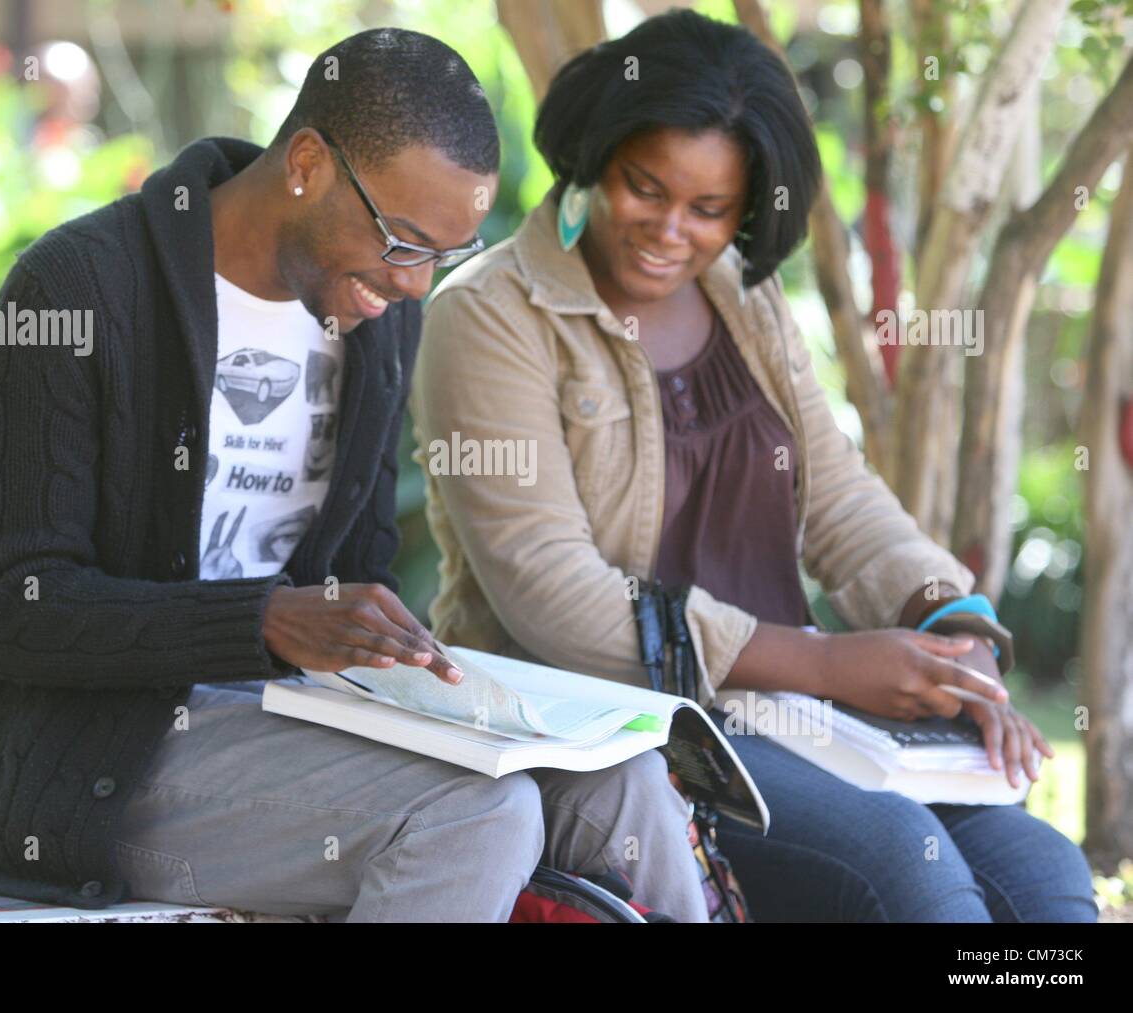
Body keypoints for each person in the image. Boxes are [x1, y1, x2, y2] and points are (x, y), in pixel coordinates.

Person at [0, 28, 708, 923]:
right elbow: (13, 609)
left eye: (444, 255)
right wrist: (264, 620)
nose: (416, 288)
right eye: (405, 242)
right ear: (306, 164)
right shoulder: (77, 290)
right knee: (475, 813)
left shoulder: (371, 316)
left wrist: (412, 670)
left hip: (297, 727)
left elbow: (355, 561)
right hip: (95, 762)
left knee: (627, 784)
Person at [409, 9, 1098, 922]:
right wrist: (825, 661)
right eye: (643, 186)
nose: (669, 231)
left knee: (1043, 872)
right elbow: (549, 592)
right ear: (594, 154)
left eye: (709, 209)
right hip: (619, 730)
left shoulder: (745, 297)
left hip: (792, 710)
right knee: (907, 873)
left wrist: (950, 624)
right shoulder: (491, 314)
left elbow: (840, 497)